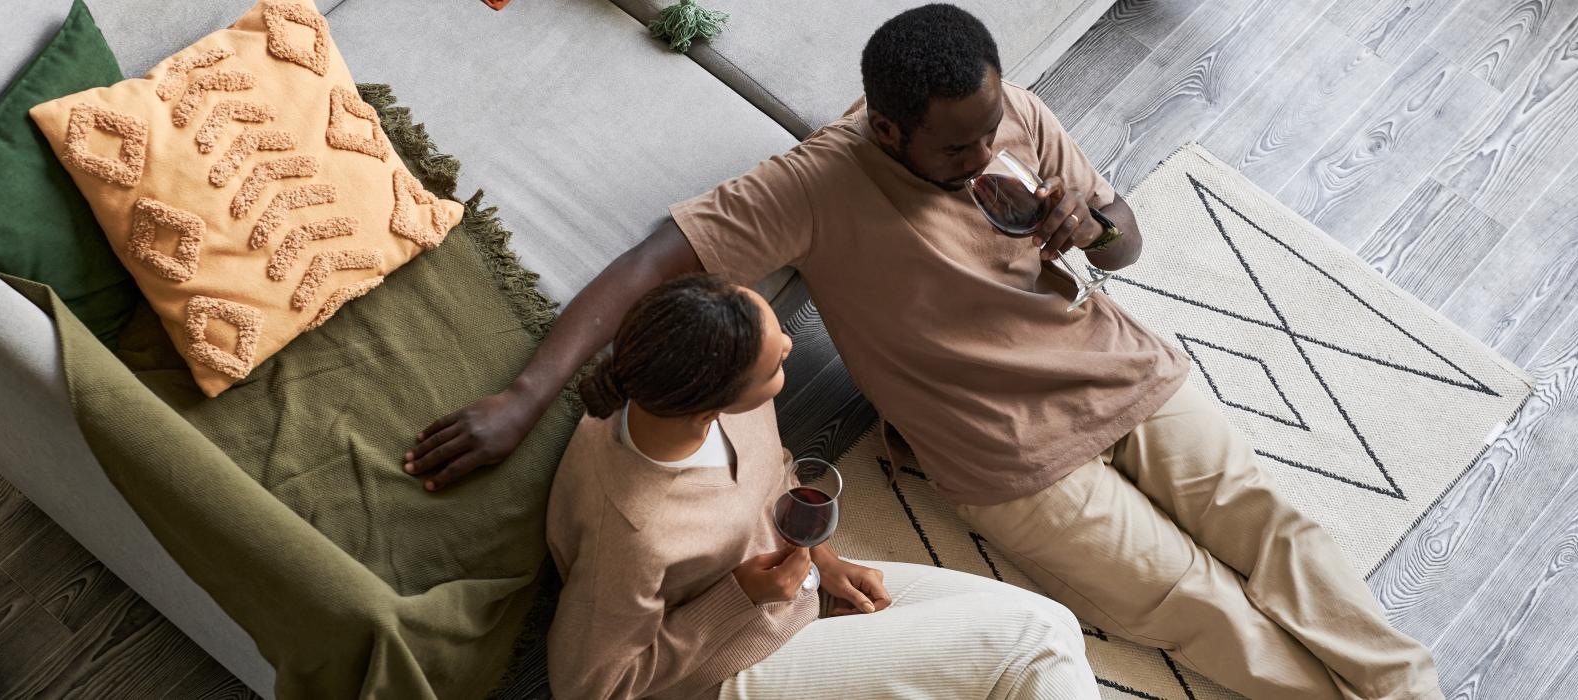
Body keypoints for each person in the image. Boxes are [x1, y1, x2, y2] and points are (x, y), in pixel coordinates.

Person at [409, 5, 1442, 698]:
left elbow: (1126, 244)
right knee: (1192, 603)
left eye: (993, 127)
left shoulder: (1011, 116)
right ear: (888, 131)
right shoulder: (813, 186)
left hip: (1118, 368)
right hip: (1009, 457)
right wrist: (523, 399)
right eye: (957, 146)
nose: (987, 152)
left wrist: (1095, 224)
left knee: (1278, 529)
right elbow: (649, 263)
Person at [544, 273, 1097, 699]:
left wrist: (823, 561)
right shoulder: (631, 532)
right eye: (776, 363)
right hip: (726, 670)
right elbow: (592, 687)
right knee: (1033, 642)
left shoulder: (697, 388)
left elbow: (771, 473)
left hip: (795, 596)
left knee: (1056, 628)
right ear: (713, 405)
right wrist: (740, 598)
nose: (789, 341)